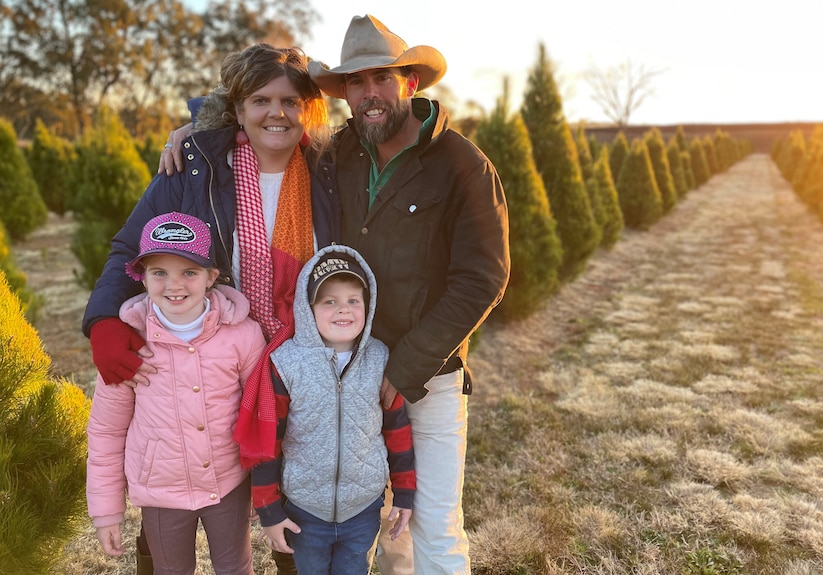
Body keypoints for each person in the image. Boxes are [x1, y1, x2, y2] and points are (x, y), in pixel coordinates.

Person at [162, 15, 510, 574]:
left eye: (381, 78)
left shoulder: (461, 165)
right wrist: (192, 134)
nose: (367, 94)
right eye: (354, 81)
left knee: (430, 525)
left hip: (424, 377)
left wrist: (405, 366)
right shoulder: (340, 153)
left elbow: (483, 279)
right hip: (339, 369)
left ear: (411, 82)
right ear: (344, 92)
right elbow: (260, 121)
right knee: (371, 521)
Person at [82, 43, 337, 575]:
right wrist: (104, 320)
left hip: (300, 366)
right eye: (261, 100)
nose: (276, 113)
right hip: (204, 363)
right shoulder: (192, 170)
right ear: (238, 108)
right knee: (177, 498)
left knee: (294, 506)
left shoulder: (332, 174)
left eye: (291, 101)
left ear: (309, 109)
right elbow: (130, 249)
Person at [86, 212, 267, 574]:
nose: (174, 285)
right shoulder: (128, 344)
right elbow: (107, 432)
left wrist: (264, 485)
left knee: (236, 567)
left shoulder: (243, 336)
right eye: (159, 273)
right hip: (160, 490)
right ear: (142, 277)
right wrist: (107, 510)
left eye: (189, 272)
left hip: (227, 483)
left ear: (211, 276)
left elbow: (261, 415)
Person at [249, 244, 415, 574]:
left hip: (363, 507)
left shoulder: (381, 359)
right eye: (330, 301)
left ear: (368, 306)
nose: (344, 309)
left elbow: (398, 431)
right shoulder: (286, 364)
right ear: (307, 308)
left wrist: (405, 493)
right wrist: (268, 509)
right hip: (305, 511)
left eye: (354, 300)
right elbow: (268, 442)